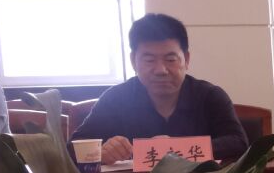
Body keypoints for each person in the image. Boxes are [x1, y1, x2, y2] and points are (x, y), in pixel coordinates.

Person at [71, 13, 248, 164]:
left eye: (170, 59)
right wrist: (100, 152)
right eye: (149, 60)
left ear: (186, 59)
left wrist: (176, 148)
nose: (160, 70)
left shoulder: (210, 96)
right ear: (133, 61)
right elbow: (73, 148)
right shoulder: (116, 99)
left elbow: (239, 143)